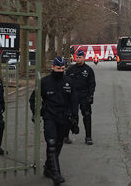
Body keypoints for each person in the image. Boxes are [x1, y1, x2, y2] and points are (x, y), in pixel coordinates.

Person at [29, 56, 79, 184]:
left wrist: (75, 118)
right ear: (52, 67)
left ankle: (48, 168)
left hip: (64, 118)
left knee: (58, 145)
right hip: (49, 116)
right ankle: (56, 174)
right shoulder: (44, 82)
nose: (60, 70)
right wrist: (35, 113)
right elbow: (33, 98)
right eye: (58, 68)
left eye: (63, 68)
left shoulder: (69, 81)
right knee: (51, 142)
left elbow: (74, 100)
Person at [64, 50, 96, 145]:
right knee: (69, 115)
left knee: (87, 115)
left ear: (84, 57)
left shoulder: (88, 70)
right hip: (72, 96)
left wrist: (91, 95)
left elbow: (92, 84)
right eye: (76, 57)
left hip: (84, 95)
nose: (78, 59)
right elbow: (65, 82)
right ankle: (66, 136)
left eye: (80, 57)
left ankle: (88, 137)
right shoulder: (70, 70)